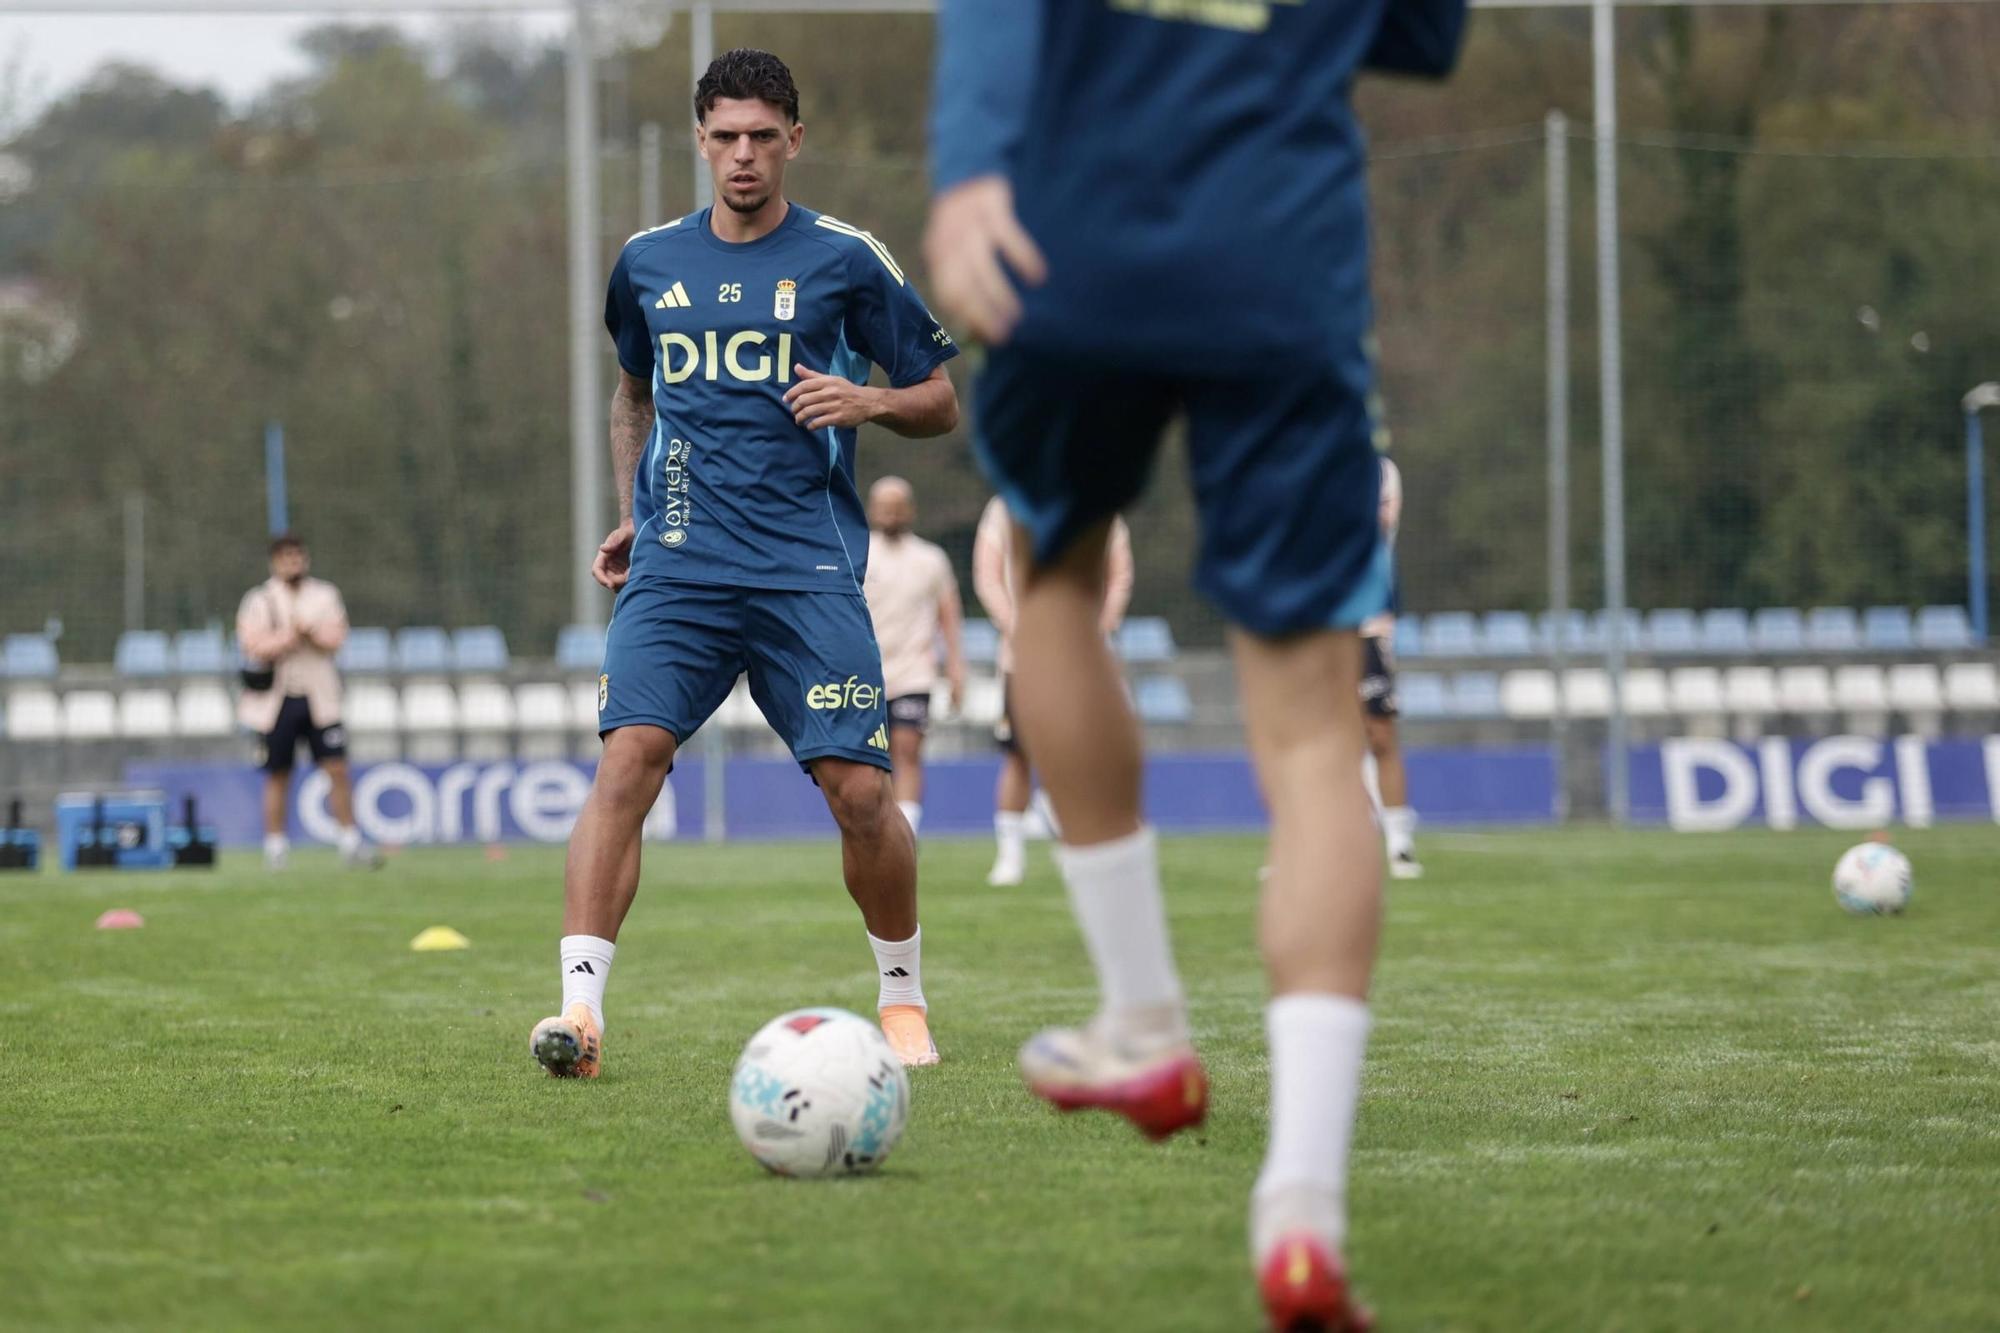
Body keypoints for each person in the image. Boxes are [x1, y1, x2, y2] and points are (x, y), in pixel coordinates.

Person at [924, 4, 1465, 1328]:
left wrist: (969, 168)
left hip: (1074, 248)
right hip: (1283, 261)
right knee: (1309, 737)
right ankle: (1301, 1214)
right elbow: (1427, 39)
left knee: (1051, 589)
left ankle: (1143, 1021)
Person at [531, 49, 960, 1080]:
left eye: (762, 137)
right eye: (724, 136)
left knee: (861, 795)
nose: (742, 156)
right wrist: (635, 507)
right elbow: (633, 394)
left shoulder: (847, 260)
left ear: (793, 141)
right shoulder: (645, 262)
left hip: (804, 569)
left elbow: (939, 401)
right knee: (626, 759)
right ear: (699, 139)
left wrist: (865, 400)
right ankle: (577, 1016)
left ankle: (900, 995)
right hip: (676, 569)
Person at [972, 495, 1131, 886]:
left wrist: (1104, 624)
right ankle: (1010, 857)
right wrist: (1015, 626)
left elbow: (1120, 573)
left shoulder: (1101, 498)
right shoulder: (1003, 508)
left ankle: (1083, 850)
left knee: (1083, 754)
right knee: (1018, 755)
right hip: (1021, 658)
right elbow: (987, 576)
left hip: (1085, 655)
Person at [234, 533, 380, 871]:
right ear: (275, 562)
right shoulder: (259, 600)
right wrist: (290, 636)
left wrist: (309, 634)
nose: (293, 563)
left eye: (298, 557)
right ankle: (275, 847)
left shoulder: (325, 595)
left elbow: (336, 638)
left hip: (321, 699)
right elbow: (252, 644)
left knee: (337, 768)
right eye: (286, 558)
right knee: (277, 774)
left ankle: (350, 842)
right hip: (276, 702)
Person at [861, 476, 967, 839]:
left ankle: (907, 832)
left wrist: (955, 666)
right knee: (873, 760)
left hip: (914, 673)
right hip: (864, 674)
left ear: (910, 510)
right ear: (872, 509)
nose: (891, 511)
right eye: (884, 504)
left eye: (897, 505)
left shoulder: (931, 559)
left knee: (907, 750)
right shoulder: (857, 552)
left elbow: (949, 615)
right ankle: (880, 830)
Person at [1360, 456, 1421, 879]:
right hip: (1315, 626)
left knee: (1380, 734)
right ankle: (1305, 848)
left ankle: (1399, 841)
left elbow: (1372, 527)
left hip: (1369, 621)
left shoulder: (1380, 472)